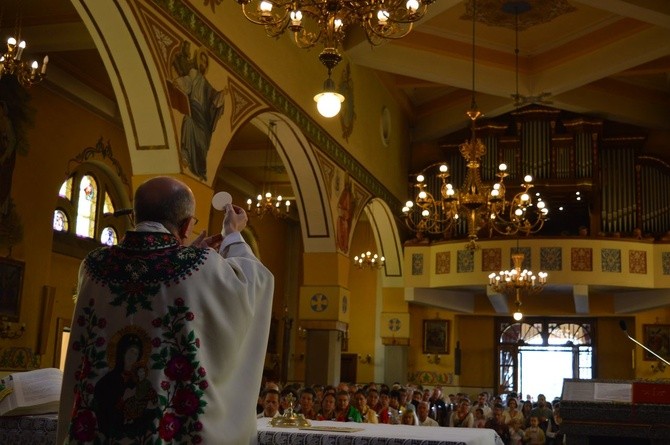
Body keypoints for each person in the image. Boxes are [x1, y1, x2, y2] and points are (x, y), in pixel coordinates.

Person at [57, 176, 274, 445]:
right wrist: (233, 234)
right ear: (185, 226)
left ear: (136, 215)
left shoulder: (93, 266)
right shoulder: (197, 266)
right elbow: (255, 282)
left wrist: (190, 256)